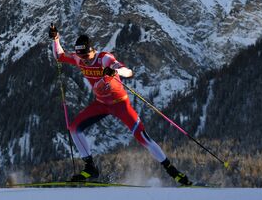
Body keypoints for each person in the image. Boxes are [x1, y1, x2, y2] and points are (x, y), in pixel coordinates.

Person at [49, 23, 192, 186]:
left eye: (86, 57)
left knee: (141, 136)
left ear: (92, 50)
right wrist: (55, 39)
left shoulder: (104, 58)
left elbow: (128, 71)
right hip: (101, 104)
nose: (84, 61)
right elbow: (59, 56)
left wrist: (115, 71)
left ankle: (172, 171)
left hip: (120, 104)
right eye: (81, 58)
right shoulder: (78, 58)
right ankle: (90, 167)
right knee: (74, 128)